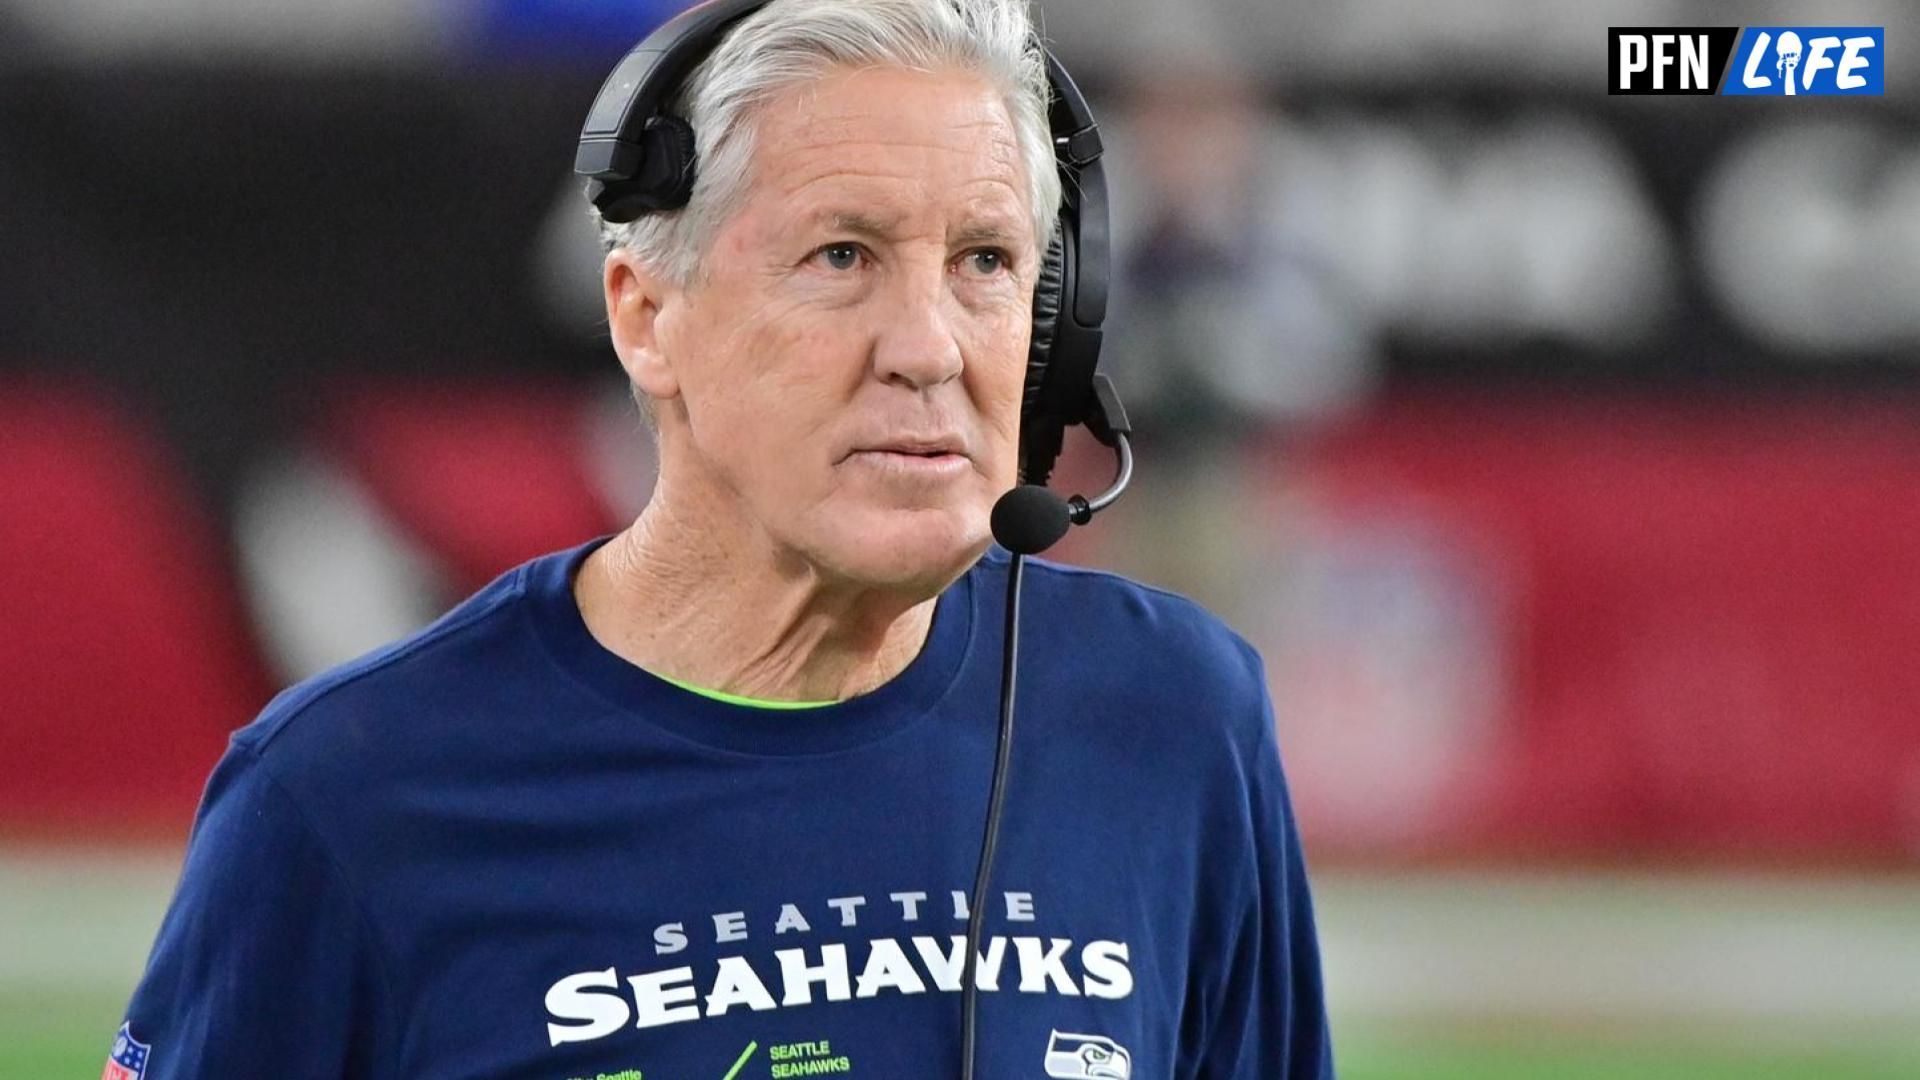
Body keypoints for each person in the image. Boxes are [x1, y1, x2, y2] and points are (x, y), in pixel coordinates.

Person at [112, 1, 1335, 1077]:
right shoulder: (347, 790)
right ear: (648, 319)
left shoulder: (1176, 714)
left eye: (985, 261)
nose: (929, 345)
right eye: (842, 255)